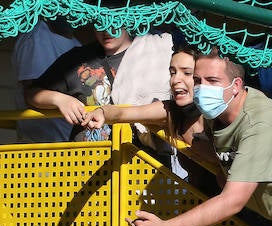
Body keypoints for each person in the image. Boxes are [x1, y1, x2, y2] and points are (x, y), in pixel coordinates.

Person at [121, 51, 272, 226]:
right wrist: (105, 113)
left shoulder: (258, 125)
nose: (202, 88)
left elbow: (231, 201)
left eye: (212, 81)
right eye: (197, 81)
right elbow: (166, 112)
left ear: (236, 85)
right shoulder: (221, 112)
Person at [89, 47, 208, 184]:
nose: (175, 80)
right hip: (197, 197)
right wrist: (101, 112)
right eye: (172, 73)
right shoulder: (171, 110)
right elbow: (124, 112)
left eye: (187, 73)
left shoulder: (220, 116)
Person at [26, 29, 134, 141]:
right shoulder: (76, 58)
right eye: (100, 23)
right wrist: (59, 99)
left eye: (115, 21)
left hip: (135, 154)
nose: (107, 30)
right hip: (85, 155)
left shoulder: (147, 56)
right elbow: (32, 94)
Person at [12, 20, 79, 143]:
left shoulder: (76, 43)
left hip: (75, 145)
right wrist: (59, 99)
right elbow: (31, 95)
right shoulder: (36, 37)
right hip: (43, 147)